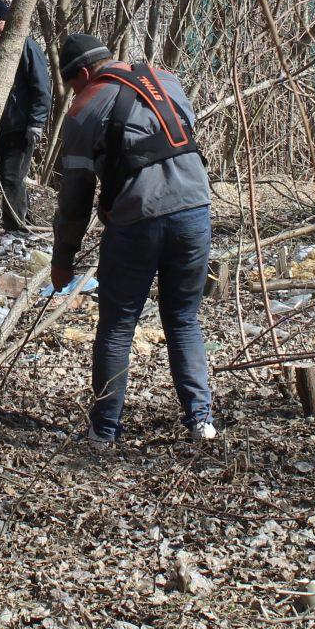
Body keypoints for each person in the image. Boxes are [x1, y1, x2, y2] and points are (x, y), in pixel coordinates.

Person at [49, 31, 217, 446]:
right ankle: (202, 421)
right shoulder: (167, 80)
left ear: (84, 73)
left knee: (118, 326)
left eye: (72, 84)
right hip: (196, 211)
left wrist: (63, 257)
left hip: (136, 223)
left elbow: (76, 196)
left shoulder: (84, 110)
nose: (72, 93)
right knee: (183, 319)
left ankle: (104, 431)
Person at [0, 0, 51, 247]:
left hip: (22, 126)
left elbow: (42, 86)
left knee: (12, 178)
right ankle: (22, 223)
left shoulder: (26, 47)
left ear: (8, 22)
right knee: (8, 179)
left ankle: (16, 229)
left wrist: (36, 123)